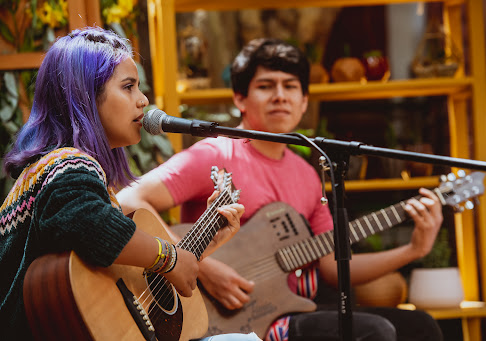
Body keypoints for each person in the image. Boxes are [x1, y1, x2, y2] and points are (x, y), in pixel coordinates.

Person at [117, 38, 445, 341]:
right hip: (230, 318)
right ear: (240, 99)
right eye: (265, 86)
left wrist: (412, 251)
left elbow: (332, 266)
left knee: (420, 326)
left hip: (286, 306)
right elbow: (130, 198)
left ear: (304, 102)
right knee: (375, 332)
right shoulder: (215, 153)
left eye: (290, 86)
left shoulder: (308, 174)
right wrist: (197, 265)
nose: (280, 95)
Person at [0, 27, 262, 341]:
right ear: (84, 96)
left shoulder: (63, 172)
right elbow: (94, 228)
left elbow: (115, 280)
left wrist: (200, 247)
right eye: (128, 87)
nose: (144, 100)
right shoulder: (66, 164)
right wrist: (171, 257)